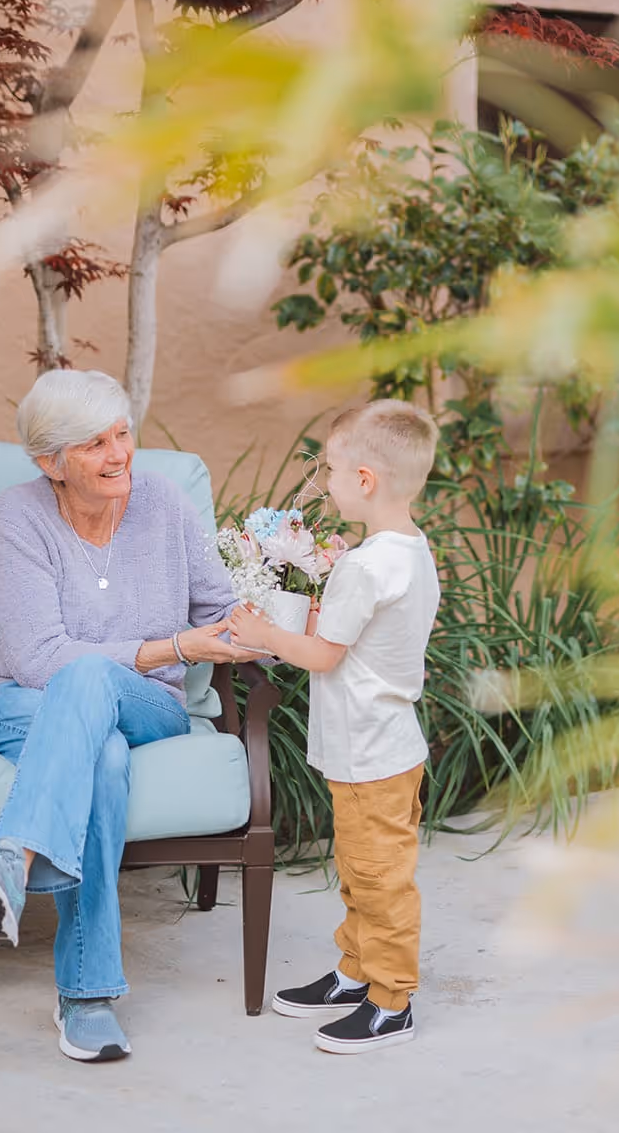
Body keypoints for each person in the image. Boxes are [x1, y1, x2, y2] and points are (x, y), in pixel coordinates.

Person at [0, 368, 255, 1064]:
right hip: (11, 702)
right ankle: (87, 996)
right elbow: (36, 659)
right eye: (93, 445)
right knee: (101, 754)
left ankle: (11, 863)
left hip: (147, 705)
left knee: (91, 679)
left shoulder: (164, 504)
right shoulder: (17, 516)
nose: (118, 455)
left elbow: (220, 614)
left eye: (122, 434)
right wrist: (168, 647)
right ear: (50, 462)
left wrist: (285, 609)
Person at [229, 399, 441, 1054]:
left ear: (366, 481)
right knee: (358, 869)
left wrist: (265, 631)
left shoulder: (366, 565)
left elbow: (323, 654)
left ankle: (391, 997)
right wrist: (316, 615)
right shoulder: (408, 551)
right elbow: (350, 637)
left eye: (331, 468)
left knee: (380, 877)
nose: (326, 479)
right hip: (372, 747)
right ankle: (356, 968)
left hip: (372, 752)